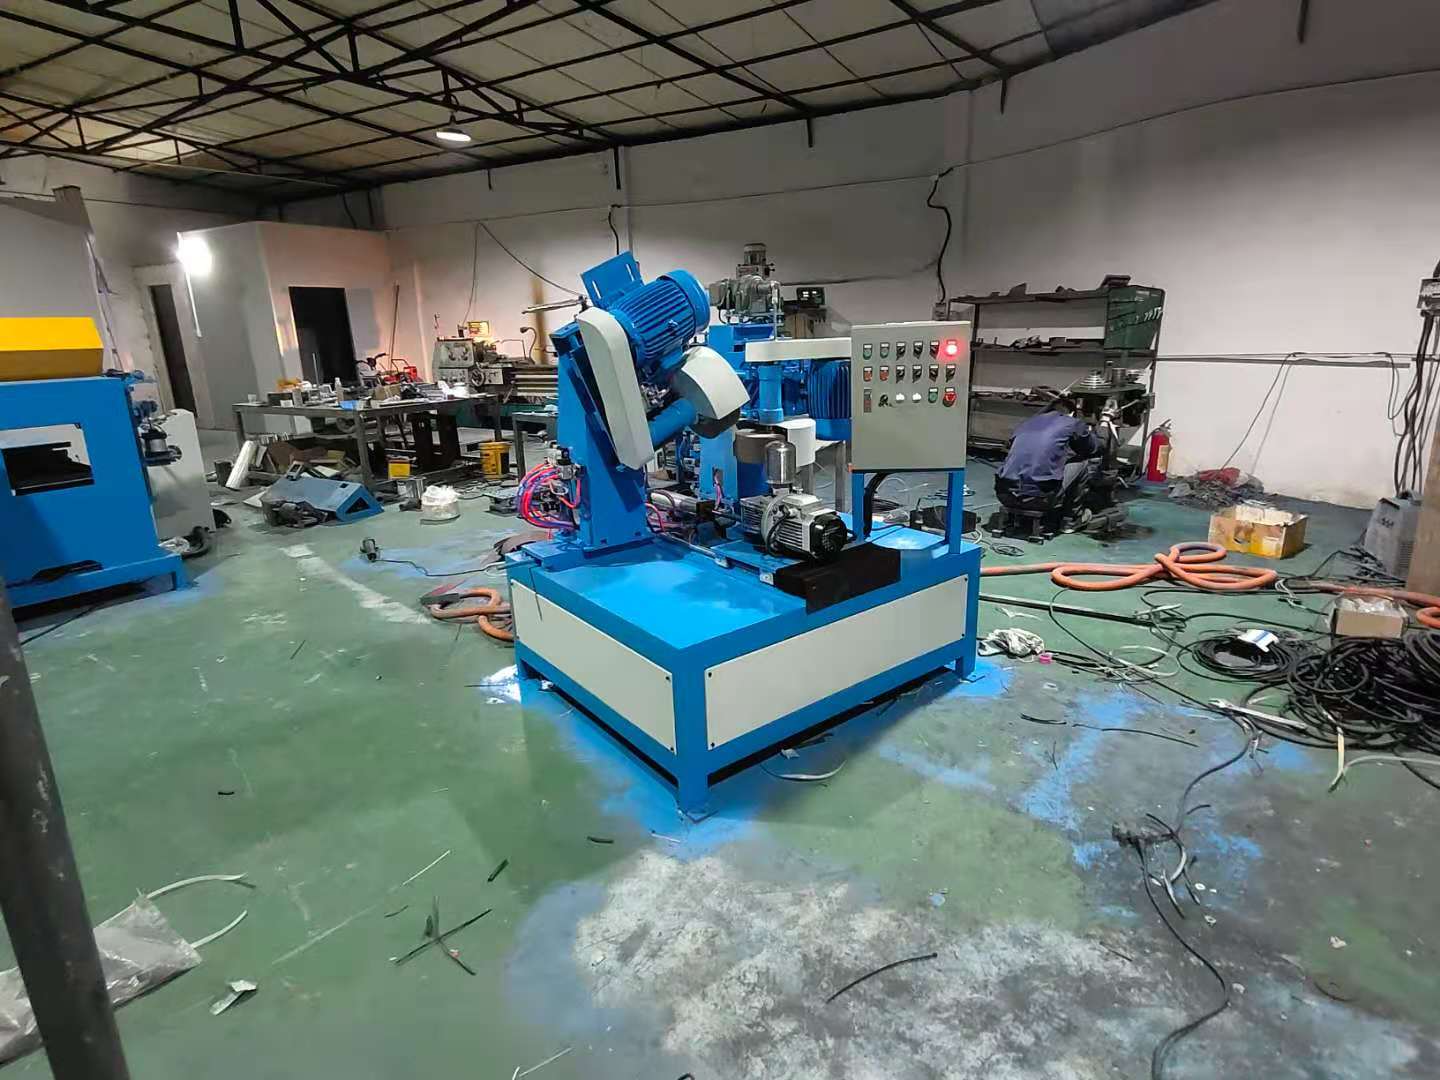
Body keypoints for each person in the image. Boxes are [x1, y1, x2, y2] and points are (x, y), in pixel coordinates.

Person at [995, 396, 1101, 528]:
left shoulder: (1027, 423)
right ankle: (1071, 519)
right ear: (1072, 413)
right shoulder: (1071, 422)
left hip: (1004, 495)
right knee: (1082, 463)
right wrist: (1103, 424)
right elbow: (1092, 448)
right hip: (1040, 500)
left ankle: (1018, 514)